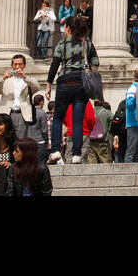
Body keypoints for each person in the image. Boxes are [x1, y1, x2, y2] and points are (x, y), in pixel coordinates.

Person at [45, 14, 97, 165]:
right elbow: (95, 61)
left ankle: (55, 150)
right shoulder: (86, 42)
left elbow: (54, 65)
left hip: (64, 82)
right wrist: (91, 74)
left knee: (58, 117)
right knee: (78, 119)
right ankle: (76, 154)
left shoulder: (62, 44)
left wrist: (48, 85)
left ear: (68, 28)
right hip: (81, 82)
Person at [0, 53, 42, 140]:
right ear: (12, 65)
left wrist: (25, 78)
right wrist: (3, 78)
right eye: (15, 64)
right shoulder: (7, 80)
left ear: (24, 65)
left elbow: (37, 87)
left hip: (21, 113)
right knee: (5, 138)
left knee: (20, 139)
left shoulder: (28, 79)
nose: (17, 66)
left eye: (20, 64)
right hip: (7, 112)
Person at [121, 69, 138, 163]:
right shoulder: (133, 88)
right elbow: (129, 105)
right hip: (134, 122)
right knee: (132, 149)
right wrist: (135, 97)